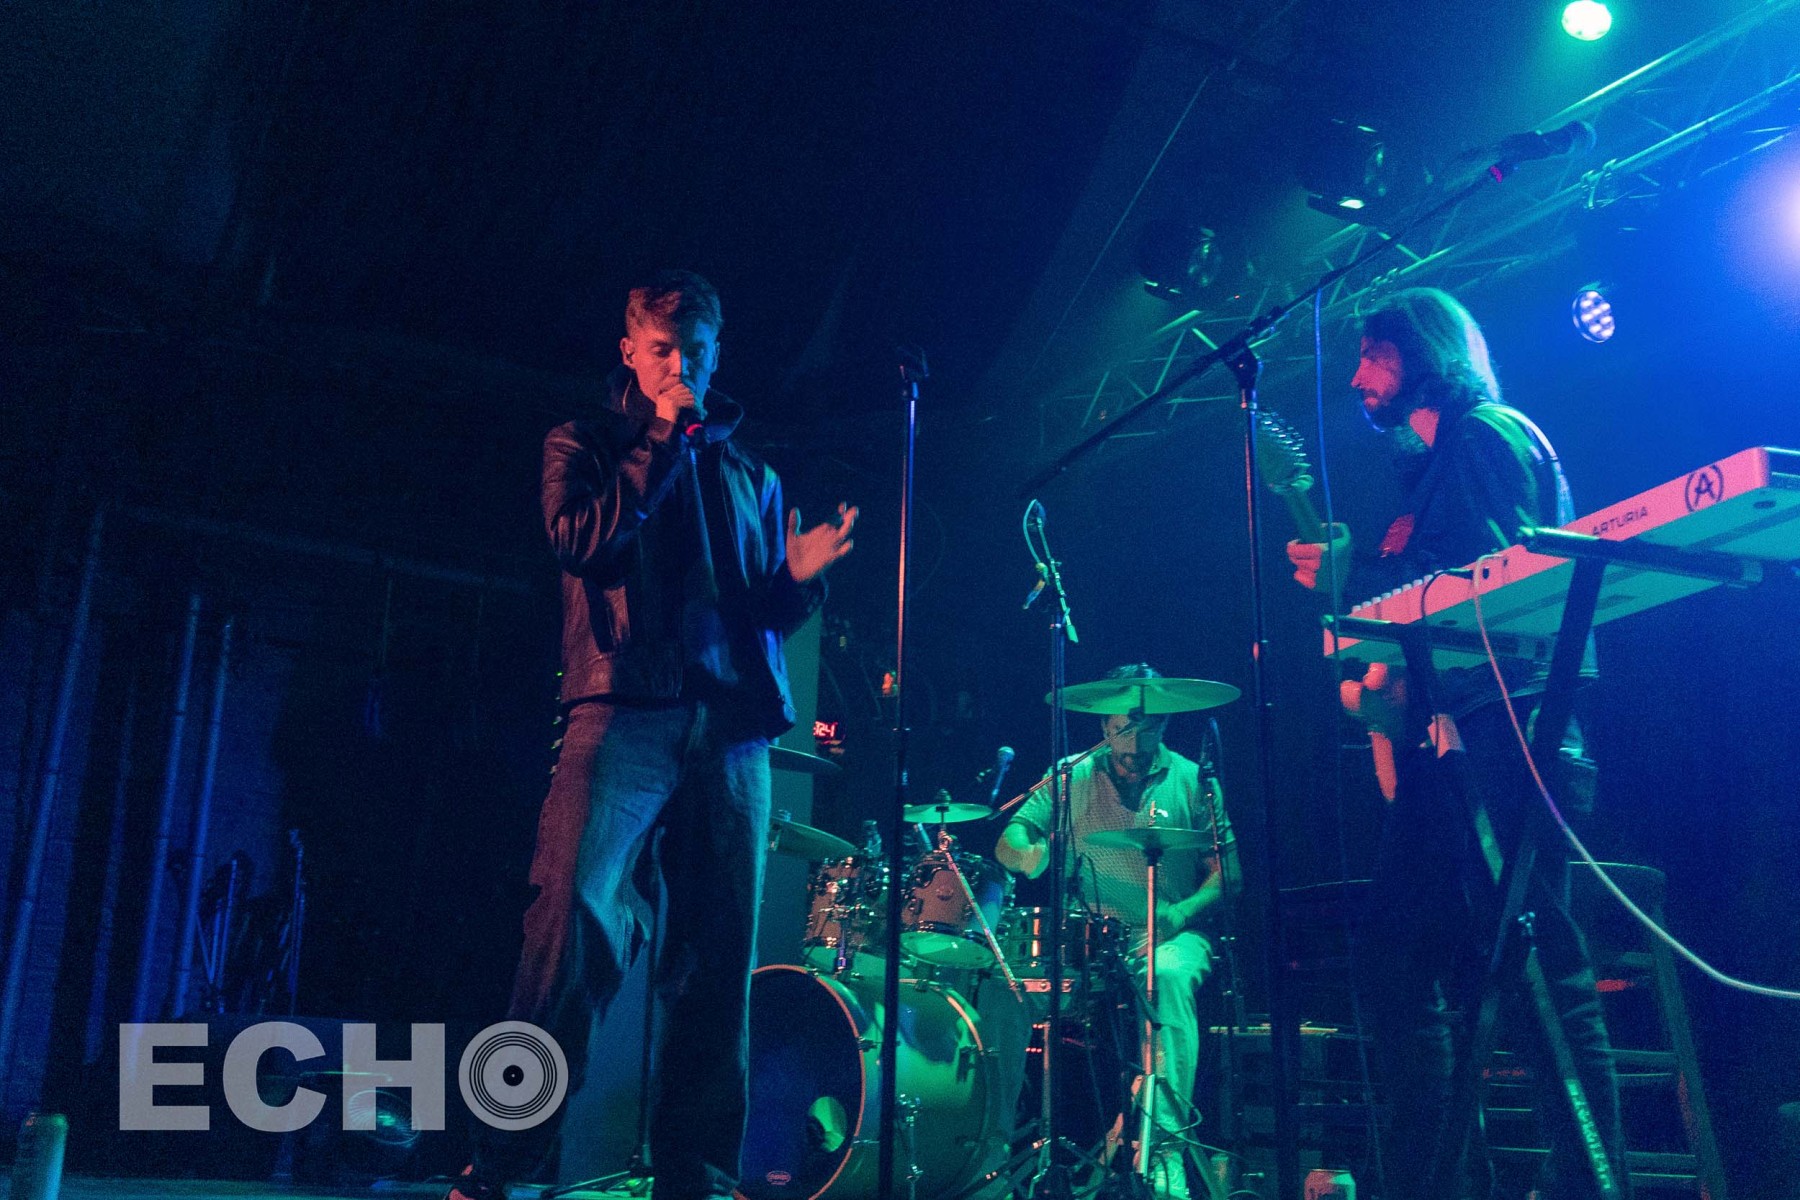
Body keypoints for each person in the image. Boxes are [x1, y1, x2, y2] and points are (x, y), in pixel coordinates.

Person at [450, 270, 858, 1200]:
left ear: (716, 357)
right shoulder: (585, 443)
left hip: (732, 731)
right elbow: (581, 542)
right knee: (567, 932)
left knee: (718, 960)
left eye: (696, 353)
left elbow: (755, 611)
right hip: (620, 709)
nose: (681, 368)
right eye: (664, 350)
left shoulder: (753, 475)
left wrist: (796, 579)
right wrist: (662, 445)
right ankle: (502, 1166)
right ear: (631, 352)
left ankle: (696, 1178)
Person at [1285, 287, 1629, 1200]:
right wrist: (1360, 587)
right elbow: (1435, 597)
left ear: (1425, 352)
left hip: (1512, 733)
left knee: (1536, 966)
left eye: (1373, 354)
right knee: (1400, 951)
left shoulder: (1484, 435)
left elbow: (1489, 582)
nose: (1357, 377)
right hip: (1457, 746)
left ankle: (1590, 1186)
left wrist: (1360, 578)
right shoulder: (1437, 469)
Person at [994, 663, 1238, 1200]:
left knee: (1166, 977)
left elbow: (1229, 873)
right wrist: (1029, 854)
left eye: (1148, 726)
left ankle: (1165, 1154)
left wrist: (1183, 912)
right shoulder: (1070, 774)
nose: (1136, 740)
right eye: (1125, 726)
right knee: (1003, 991)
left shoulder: (1195, 779)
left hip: (1170, 933)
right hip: (1085, 940)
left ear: (1165, 723)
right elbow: (1010, 838)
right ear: (1104, 724)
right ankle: (992, 1152)